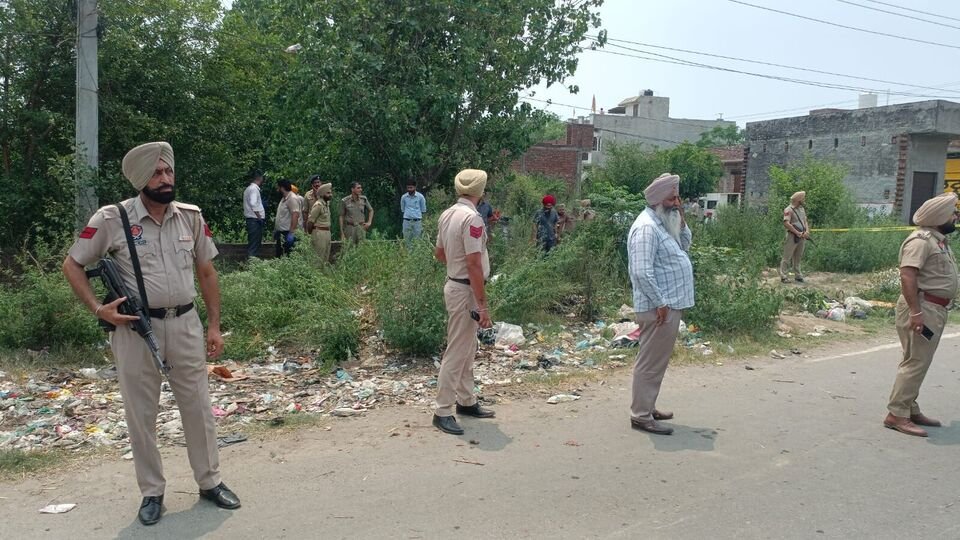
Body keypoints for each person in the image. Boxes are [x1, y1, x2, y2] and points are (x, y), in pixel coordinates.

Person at [61, 142, 240, 526]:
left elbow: (207, 273)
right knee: (141, 414)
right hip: (134, 331)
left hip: (185, 324)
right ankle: (152, 492)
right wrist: (98, 308)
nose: (165, 179)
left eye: (168, 172)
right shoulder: (112, 219)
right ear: (141, 179)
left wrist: (213, 325)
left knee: (199, 408)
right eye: (157, 173)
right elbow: (73, 264)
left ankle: (210, 482)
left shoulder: (190, 218)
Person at [883, 192, 959, 437]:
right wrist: (916, 312)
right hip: (922, 308)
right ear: (939, 218)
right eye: (952, 213)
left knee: (916, 360)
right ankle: (897, 414)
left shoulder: (937, 241)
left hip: (932, 308)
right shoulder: (920, 241)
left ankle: (909, 407)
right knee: (915, 362)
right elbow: (907, 275)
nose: (955, 217)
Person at [626, 173, 694, 436]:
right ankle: (641, 415)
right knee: (650, 362)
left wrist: (682, 219)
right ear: (657, 200)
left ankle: (647, 406)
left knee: (656, 360)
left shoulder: (663, 222)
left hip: (666, 305)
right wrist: (661, 302)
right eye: (672, 198)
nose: (677, 203)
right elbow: (641, 271)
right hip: (659, 308)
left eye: (677, 197)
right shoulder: (646, 228)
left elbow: (684, 245)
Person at [432, 168, 495, 435]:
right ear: (480, 191)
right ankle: (442, 410)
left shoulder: (447, 214)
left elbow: (439, 254)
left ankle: (466, 400)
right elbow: (473, 265)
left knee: (467, 348)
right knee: (458, 350)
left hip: (456, 284)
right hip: (465, 289)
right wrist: (482, 305)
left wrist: (458, 269)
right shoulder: (473, 219)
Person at [780, 191, 810, 283]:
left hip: (802, 236)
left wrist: (807, 231)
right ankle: (783, 275)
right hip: (792, 236)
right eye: (802, 198)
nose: (803, 200)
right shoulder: (788, 210)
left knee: (798, 256)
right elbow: (786, 223)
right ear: (798, 199)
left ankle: (798, 275)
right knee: (787, 256)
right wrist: (796, 232)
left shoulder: (801, 209)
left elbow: (805, 221)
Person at [307, 182, 334, 264]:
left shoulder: (326, 204)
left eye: (330, 192)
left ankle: (323, 275)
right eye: (328, 193)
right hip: (319, 232)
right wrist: (311, 233)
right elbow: (310, 221)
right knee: (318, 258)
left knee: (326, 257)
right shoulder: (318, 205)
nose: (330, 195)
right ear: (322, 194)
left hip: (327, 232)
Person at [274, 179, 300, 257]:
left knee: (288, 256)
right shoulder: (284, 198)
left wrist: (291, 233)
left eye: (278, 188)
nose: (277, 190)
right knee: (280, 256)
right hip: (281, 233)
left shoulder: (292, 198)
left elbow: (295, 215)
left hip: (287, 233)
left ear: (282, 188)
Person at [242, 170, 265, 259]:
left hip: (252, 220)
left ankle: (252, 263)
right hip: (254, 220)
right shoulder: (254, 189)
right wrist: (259, 217)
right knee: (254, 244)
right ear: (260, 178)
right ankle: (252, 264)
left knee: (253, 242)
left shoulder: (249, 189)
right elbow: (253, 203)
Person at [400, 180, 427, 248]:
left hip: (417, 221)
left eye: (411, 187)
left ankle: (416, 256)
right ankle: (408, 257)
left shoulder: (420, 197)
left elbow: (423, 209)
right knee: (407, 240)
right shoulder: (404, 197)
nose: (409, 189)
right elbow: (403, 209)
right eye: (408, 188)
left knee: (417, 240)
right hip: (407, 221)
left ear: (415, 187)